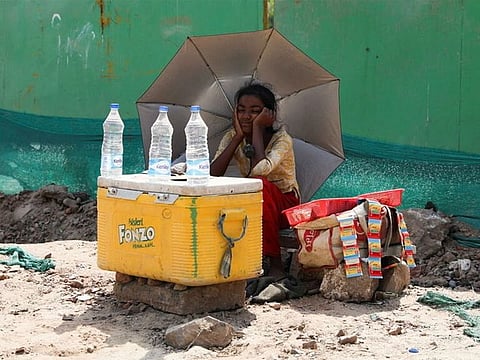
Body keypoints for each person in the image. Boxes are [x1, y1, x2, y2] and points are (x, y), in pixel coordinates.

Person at [211, 83, 300, 278]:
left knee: (260, 185)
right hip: (255, 200)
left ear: (269, 115)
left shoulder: (282, 139)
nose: (246, 116)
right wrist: (238, 138)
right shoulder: (233, 137)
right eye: (241, 110)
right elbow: (212, 174)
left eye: (255, 111)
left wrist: (258, 129)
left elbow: (261, 169)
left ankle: (276, 264)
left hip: (285, 206)